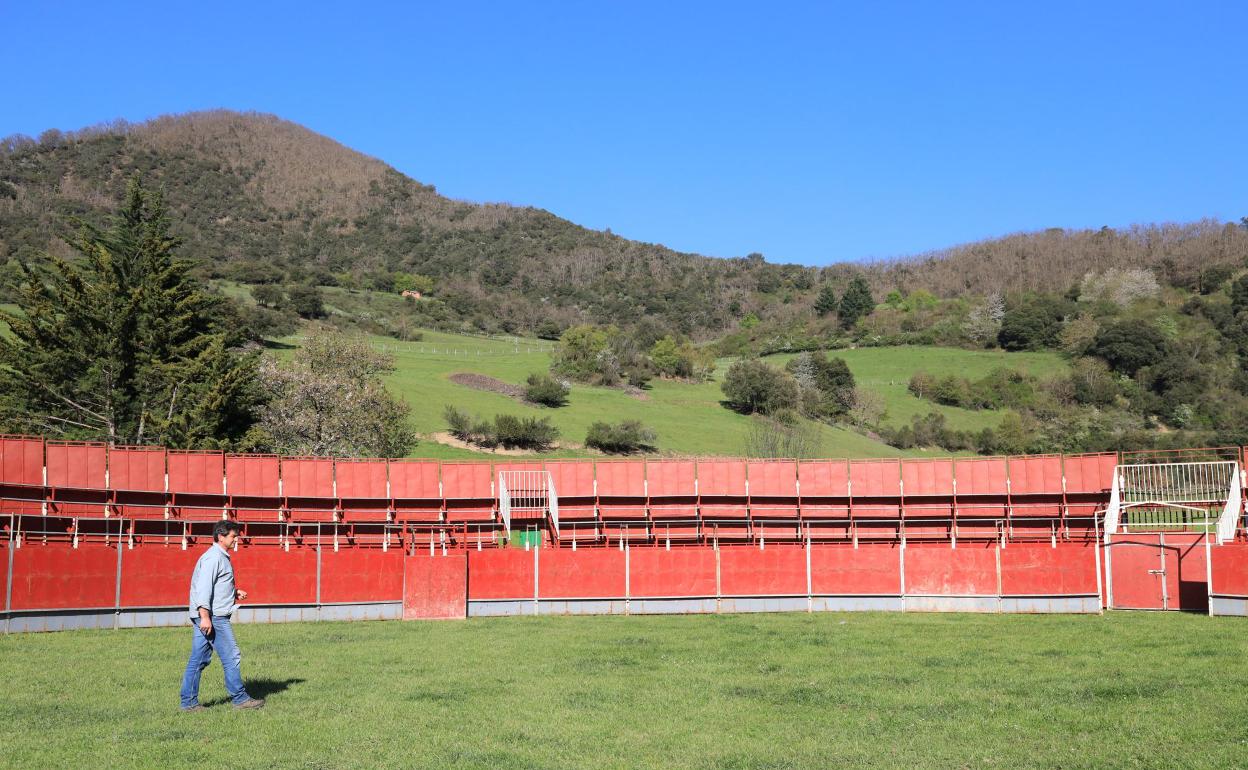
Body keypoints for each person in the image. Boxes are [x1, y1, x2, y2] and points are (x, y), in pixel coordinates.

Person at [179, 520, 265, 711]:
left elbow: (215, 586)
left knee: (198, 659)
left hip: (209, 614)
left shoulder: (217, 556)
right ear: (221, 536)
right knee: (231, 655)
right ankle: (240, 699)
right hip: (214, 617)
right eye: (233, 536)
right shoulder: (214, 558)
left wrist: (233, 592)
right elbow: (203, 589)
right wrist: (205, 616)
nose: (236, 540)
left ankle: (188, 703)